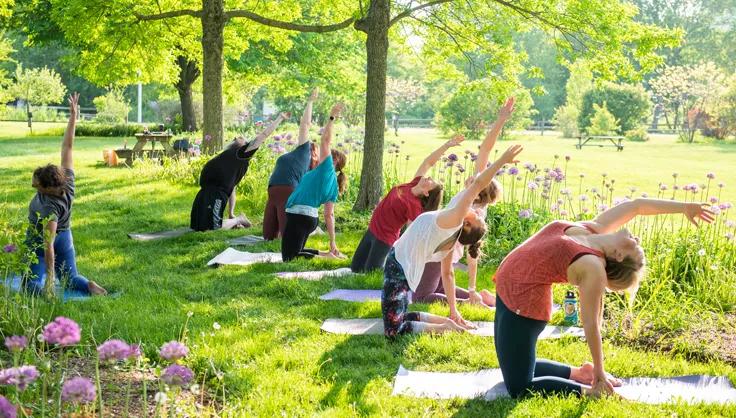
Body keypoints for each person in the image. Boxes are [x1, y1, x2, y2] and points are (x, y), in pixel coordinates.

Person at [493, 199, 715, 398]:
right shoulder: (594, 230)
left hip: (522, 304)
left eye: (636, 247)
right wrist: (682, 208)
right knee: (515, 371)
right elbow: (637, 205)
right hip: (509, 291)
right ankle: (580, 373)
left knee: (519, 388)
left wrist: (600, 373)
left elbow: (591, 323)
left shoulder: (593, 267)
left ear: (618, 256)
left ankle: (591, 391)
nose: (636, 238)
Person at [381, 145, 523, 337]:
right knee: (400, 316)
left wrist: (501, 161)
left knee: (392, 331)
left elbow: (479, 184)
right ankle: (448, 323)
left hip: (398, 266)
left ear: (466, 223)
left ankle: (444, 328)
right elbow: (448, 275)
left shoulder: (455, 218)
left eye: (477, 217)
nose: (476, 212)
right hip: (405, 270)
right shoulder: (451, 237)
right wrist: (453, 312)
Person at [413, 98, 515, 307]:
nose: (474, 176)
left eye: (480, 178)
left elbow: (472, 255)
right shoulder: (475, 197)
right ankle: (477, 299)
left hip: (440, 248)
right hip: (442, 247)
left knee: (422, 297)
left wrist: (471, 286)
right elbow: (485, 149)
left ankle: (474, 302)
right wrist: (500, 120)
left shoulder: (470, 205)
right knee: (439, 289)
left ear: (480, 192)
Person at [24, 93, 107, 297]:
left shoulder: (49, 209)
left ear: (47, 188)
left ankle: (46, 284)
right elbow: (68, 147)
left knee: (29, 286)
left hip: (42, 242)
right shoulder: (67, 180)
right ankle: (87, 285)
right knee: (71, 279)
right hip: (66, 237)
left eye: (37, 186)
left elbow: (48, 246)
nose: (34, 186)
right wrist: (73, 117)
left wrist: (50, 282)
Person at [350, 135, 461, 273]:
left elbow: (411, 232)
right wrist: (447, 145)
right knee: (355, 268)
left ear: (427, 193)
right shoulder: (414, 183)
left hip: (384, 239)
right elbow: (428, 162)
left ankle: (394, 270)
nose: (429, 178)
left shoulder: (415, 206)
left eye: (431, 182)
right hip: (372, 229)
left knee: (371, 273)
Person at [190, 112, 290, 232]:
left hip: (216, 195)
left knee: (212, 229)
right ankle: (234, 220)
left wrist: (280, 118)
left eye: (242, 139)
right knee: (197, 228)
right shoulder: (227, 157)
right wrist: (231, 213)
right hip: (203, 194)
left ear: (246, 147)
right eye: (236, 138)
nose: (237, 138)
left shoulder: (242, 153)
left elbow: (264, 135)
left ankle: (239, 220)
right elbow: (232, 187)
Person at [281, 103, 348, 262]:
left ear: (334, 160)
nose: (320, 154)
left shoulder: (327, 168)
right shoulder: (332, 183)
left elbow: (325, 141)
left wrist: (331, 117)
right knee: (297, 251)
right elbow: (329, 215)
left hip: (299, 216)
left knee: (289, 257)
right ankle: (328, 254)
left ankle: (329, 259)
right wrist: (332, 241)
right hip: (308, 218)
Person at [263, 89, 320, 240]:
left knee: (286, 236)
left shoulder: (304, 150)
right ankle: (309, 230)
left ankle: (310, 230)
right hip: (273, 192)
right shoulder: (297, 155)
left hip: (285, 192)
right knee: (268, 237)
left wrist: (310, 101)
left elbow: (305, 125)